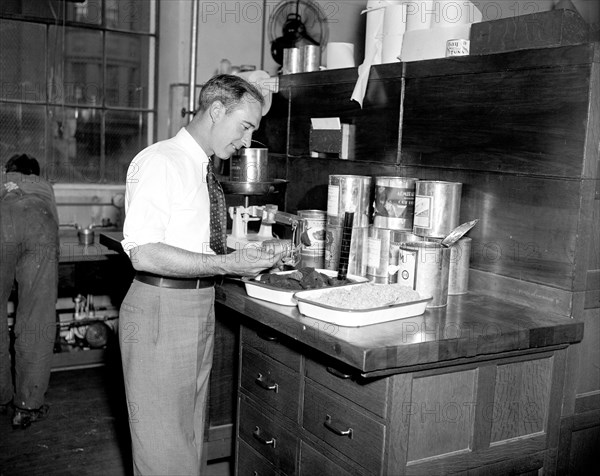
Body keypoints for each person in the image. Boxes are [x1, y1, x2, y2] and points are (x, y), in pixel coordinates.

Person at [119, 74, 288, 475]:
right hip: (161, 309)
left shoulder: (200, 167)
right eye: (245, 127)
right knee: (164, 449)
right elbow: (143, 252)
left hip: (195, 306)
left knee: (190, 439)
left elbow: (193, 242)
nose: (247, 142)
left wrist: (245, 253)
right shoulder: (161, 161)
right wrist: (226, 265)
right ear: (216, 111)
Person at [0, 154, 59, 429]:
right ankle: (27, 406)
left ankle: (1, 398)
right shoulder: (45, 187)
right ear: (35, 173)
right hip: (40, 224)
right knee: (37, 316)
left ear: (6, 170)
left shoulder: (2, 181)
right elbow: (55, 226)